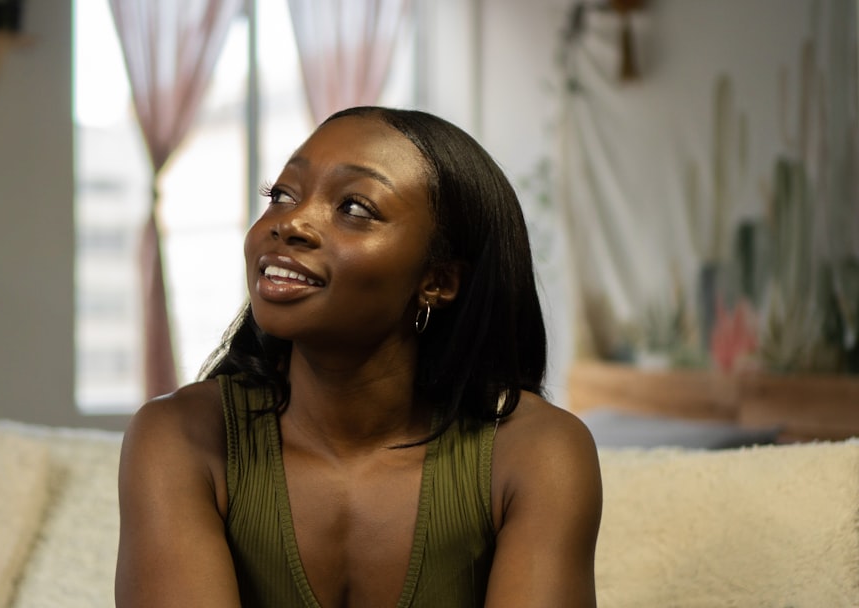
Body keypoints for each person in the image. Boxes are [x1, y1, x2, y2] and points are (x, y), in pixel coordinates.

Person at [115, 106, 603, 607]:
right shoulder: (178, 436)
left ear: (438, 282)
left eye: (355, 208)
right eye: (281, 195)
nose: (291, 223)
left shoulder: (538, 454)